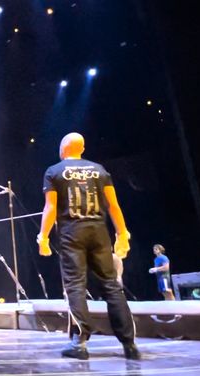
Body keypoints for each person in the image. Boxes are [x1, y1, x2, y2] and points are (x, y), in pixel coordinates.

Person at [37, 132, 140, 360]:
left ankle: (79, 343)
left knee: (75, 286)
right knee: (111, 286)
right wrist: (122, 233)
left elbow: (51, 208)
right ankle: (129, 344)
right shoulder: (99, 169)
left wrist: (43, 236)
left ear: (63, 148)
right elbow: (113, 205)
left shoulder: (54, 171)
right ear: (81, 149)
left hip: (71, 233)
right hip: (99, 232)